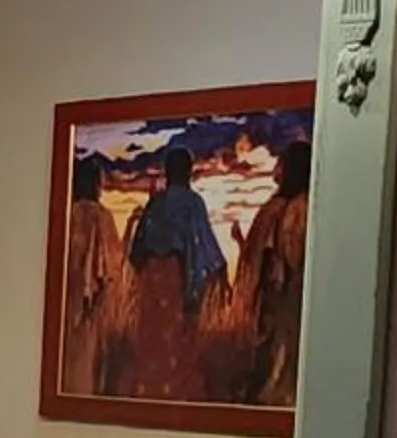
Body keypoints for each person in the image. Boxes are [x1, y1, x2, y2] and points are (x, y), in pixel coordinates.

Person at [123, 142, 226, 401]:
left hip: (153, 279)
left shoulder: (156, 203)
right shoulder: (192, 202)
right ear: (188, 172)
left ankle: (150, 393)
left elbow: (137, 250)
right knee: (177, 337)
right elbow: (204, 244)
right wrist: (219, 271)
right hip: (177, 276)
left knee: (153, 337)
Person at [237, 137, 312, 405]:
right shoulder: (281, 208)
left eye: (281, 165)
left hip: (290, 294)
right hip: (275, 296)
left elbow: (289, 254)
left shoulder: (300, 208)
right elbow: (257, 256)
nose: (275, 171)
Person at [57, 149, 127, 397]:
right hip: (91, 309)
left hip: (64, 306)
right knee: (86, 361)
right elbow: (114, 267)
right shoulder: (101, 217)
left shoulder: (65, 215)